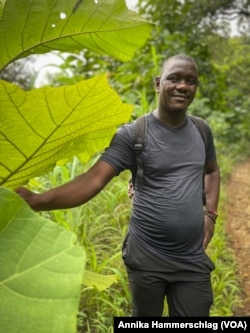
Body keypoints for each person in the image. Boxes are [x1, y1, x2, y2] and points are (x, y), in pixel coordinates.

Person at [16, 54, 220, 317]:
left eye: (191, 81)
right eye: (174, 78)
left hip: (191, 258)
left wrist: (211, 214)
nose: (183, 86)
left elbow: (212, 171)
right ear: (158, 84)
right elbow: (92, 179)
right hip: (147, 257)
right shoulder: (133, 134)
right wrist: (37, 200)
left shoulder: (201, 130)